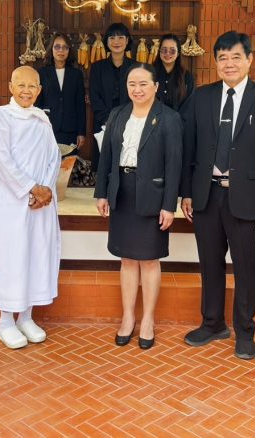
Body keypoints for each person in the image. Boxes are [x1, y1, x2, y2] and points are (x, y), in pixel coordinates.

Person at [180, 31, 255, 361]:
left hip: (246, 198)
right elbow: (189, 148)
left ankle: (245, 331)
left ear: (250, 60)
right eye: (222, 58)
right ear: (215, 62)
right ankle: (212, 323)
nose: (229, 64)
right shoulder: (201, 97)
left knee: (245, 266)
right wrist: (186, 192)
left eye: (236, 57)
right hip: (207, 194)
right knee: (210, 263)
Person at [94, 64, 182, 349]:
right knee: (127, 259)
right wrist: (102, 193)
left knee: (150, 260)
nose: (137, 89)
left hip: (152, 196)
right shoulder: (117, 114)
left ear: (155, 86)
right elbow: (106, 157)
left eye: (143, 83)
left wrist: (169, 205)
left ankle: (148, 320)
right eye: (132, 84)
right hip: (122, 193)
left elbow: (174, 165)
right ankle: (128, 317)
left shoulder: (169, 118)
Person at [0, 66, 62, 349]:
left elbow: (54, 157)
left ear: (39, 90)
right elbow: (2, 161)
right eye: (21, 85)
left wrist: (45, 190)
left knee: (37, 254)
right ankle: (5, 321)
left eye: (32, 86)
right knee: (12, 257)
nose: (26, 91)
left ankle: (26, 317)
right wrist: (31, 188)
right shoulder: (0, 117)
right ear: (11, 87)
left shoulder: (42, 119)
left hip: (40, 203)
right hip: (12, 201)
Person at [89, 22, 135, 163]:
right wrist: (108, 120)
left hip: (130, 123)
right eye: (112, 38)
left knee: (126, 162)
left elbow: (137, 96)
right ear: (107, 41)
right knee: (104, 163)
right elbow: (94, 97)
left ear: (127, 41)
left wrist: (125, 120)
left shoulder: (135, 67)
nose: (116, 41)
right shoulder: (97, 68)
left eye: (120, 37)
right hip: (103, 123)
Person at [36, 32, 87, 153]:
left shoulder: (76, 74)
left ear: (69, 51)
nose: (61, 50)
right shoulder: (42, 73)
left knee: (68, 163)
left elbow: (80, 105)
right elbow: (38, 103)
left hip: (70, 129)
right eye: (57, 46)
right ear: (51, 49)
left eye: (65, 47)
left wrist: (81, 132)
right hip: (48, 128)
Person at [154, 33, 194, 112]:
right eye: (164, 50)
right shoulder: (150, 73)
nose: (167, 53)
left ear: (178, 53)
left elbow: (190, 104)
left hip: (178, 119)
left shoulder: (187, 76)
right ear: (159, 51)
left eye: (172, 51)